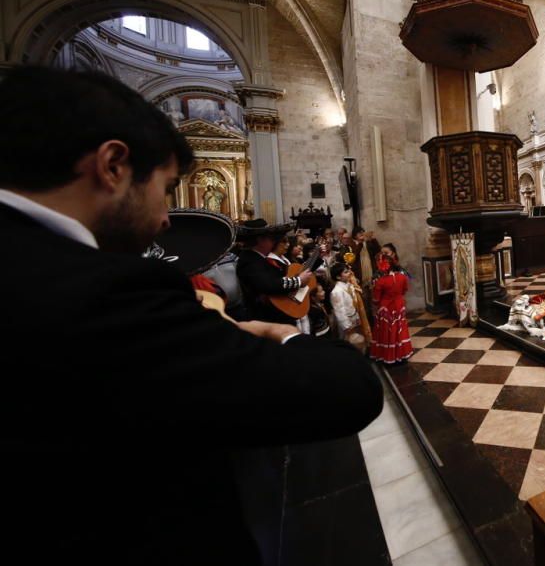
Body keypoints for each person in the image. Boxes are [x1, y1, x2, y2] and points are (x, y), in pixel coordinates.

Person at [0, 66, 383, 564]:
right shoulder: (104, 294)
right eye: (165, 188)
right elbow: (350, 389)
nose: (165, 218)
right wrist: (272, 333)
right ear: (113, 165)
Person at [236, 219, 313, 330]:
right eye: (271, 238)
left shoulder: (257, 258)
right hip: (265, 319)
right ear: (260, 240)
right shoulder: (249, 259)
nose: (274, 242)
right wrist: (299, 280)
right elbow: (268, 284)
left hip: (275, 317)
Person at [370, 249, 413, 364]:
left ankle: (389, 355)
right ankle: (402, 353)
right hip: (399, 305)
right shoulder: (402, 277)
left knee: (387, 332)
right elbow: (404, 290)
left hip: (385, 308)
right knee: (400, 329)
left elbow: (376, 299)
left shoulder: (380, 281)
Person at [329, 261, 371, 353]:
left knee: (358, 341)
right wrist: (347, 327)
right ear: (338, 277)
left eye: (348, 271)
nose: (350, 273)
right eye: (346, 272)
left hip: (355, 318)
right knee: (349, 343)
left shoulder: (349, 285)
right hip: (348, 324)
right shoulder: (337, 292)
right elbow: (340, 312)